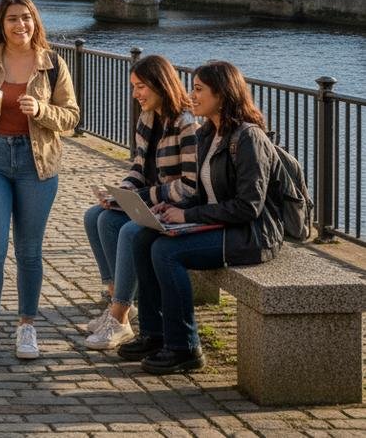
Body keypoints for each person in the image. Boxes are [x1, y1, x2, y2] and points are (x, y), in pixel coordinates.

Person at [117, 60, 285, 375]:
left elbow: (249, 207)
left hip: (250, 234)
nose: (191, 96)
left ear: (222, 94)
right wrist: (169, 211)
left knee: (166, 252)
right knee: (143, 237)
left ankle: (185, 347)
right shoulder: (209, 132)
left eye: (199, 90)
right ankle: (154, 334)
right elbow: (203, 191)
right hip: (219, 223)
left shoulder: (249, 138)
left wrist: (189, 214)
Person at [0, 0, 79, 364]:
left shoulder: (53, 63)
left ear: (35, 20)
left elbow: (71, 116)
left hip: (35, 163)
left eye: (26, 17)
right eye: (12, 19)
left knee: (29, 250)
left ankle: (27, 325)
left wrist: (41, 109)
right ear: (1, 24)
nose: (20, 24)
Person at [82, 54, 197, 351]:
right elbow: (138, 168)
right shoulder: (147, 118)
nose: (135, 94)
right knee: (97, 216)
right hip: (151, 201)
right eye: (133, 87)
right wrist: (120, 193)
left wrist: (141, 197)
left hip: (177, 207)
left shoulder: (186, 124)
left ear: (162, 84)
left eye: (141, 87)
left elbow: (189, 186)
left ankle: (119, 317)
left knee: (128, 230)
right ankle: (115, 301)